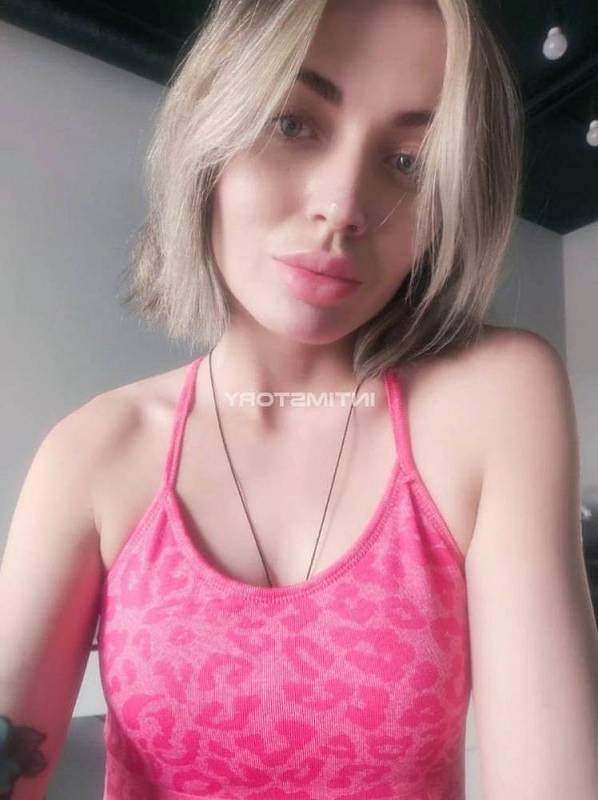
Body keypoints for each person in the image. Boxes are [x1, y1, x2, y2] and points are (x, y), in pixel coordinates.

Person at [1, 0, 597, 798]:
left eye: (410, 162)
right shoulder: (94, 452)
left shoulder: (491, 401)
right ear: (211, 132)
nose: (343, 207)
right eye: (292, 124)